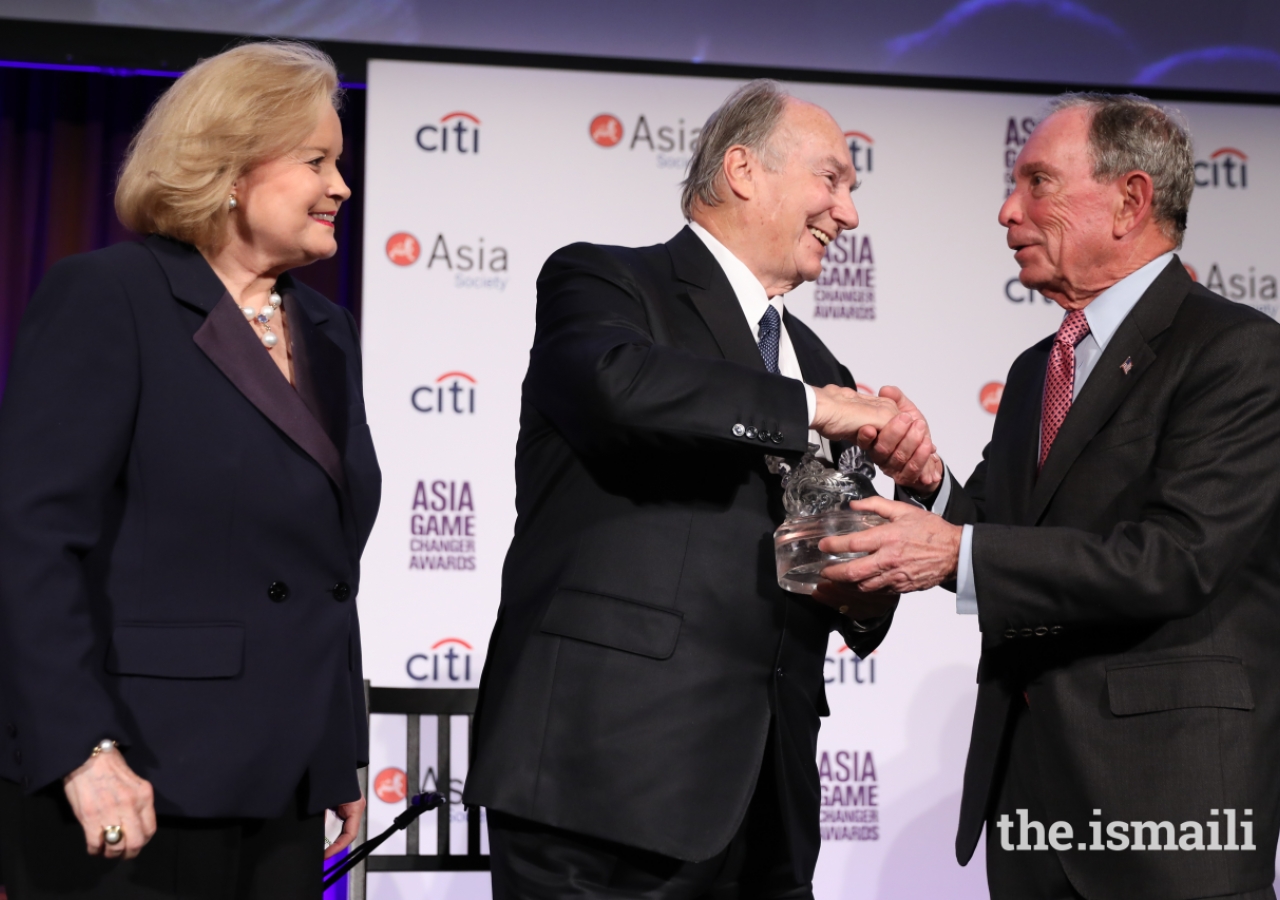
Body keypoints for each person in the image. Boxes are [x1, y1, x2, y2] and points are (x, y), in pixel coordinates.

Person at [463, 80, 938, 899]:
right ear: (745, 170)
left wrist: (889, 528)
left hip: (769, 803)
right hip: (604, 782)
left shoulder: (822, 364)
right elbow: (621, 388)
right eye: (832, 179)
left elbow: (823, 570)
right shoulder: (607, 284)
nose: (848, 213)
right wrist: (815, 408)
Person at [821, 93, 1280, 900]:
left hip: (1169, 808)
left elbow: (1175, 560)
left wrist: (959, 552)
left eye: (1038, 183)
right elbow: (1009, 544)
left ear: (1131, 200)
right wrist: (928, 479)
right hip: (1031, 798)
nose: (1008, 210)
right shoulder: (1041, 367)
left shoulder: (1238, 353)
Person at [0, 41, 381, 898]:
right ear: (231, 169)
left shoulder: (327, 332)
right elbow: (29, 542)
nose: (340, 188)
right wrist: (83, 750)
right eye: (317, 161)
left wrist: (337, 752)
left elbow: (322, 565)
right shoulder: (110, 297)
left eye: (340, 165)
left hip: (281, 786)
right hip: (133, 777)